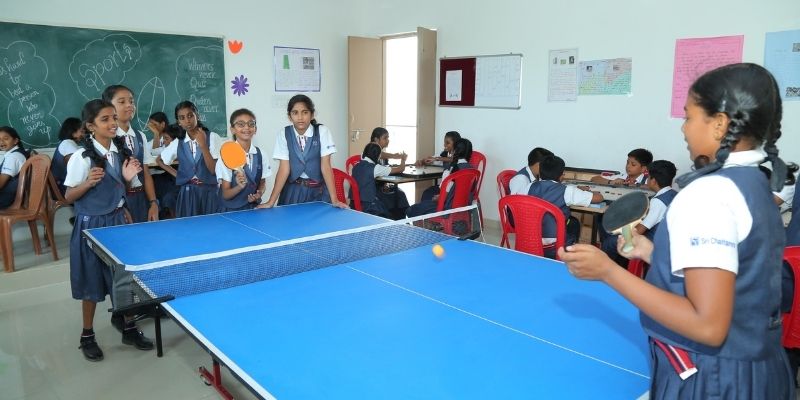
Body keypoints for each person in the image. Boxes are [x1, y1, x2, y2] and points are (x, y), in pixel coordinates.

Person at [559, 63, 794, 399]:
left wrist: (608, 271)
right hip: (761, 369)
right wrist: (653, 253)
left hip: (712, 379)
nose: (683, 129)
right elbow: (735, 272)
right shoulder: (756, 183)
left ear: (719, 124)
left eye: (688, 117)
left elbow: (707, 326)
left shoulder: (708, 193)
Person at [65, 99, 153, 362]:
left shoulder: (121, 152)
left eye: (114, 117)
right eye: (105, 119)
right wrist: (87, 184)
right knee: (91, 282)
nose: (113, 123)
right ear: (91, 126)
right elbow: (69, 196)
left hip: (117, 222)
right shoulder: (82, 157)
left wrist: (125, 183)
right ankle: (87, 335)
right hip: (92, 227)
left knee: (123, 279)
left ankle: (129, 327)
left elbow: (123, 189)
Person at [260, 95, 346, 208]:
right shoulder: (284, 134)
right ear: (289, 116)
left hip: (318, 191)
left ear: (312, 114)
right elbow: (284, 169)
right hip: (293, 191)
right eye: (295, 113)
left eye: (305, 112)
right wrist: (271, 202)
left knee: (320, 219)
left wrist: (334, 200)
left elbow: (326, 166)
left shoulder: (322, 131)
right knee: (291, 219)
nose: (300, 117)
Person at [601, 160, 677, 266]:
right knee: (615, 234)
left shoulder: (658, 202)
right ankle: (621, 265)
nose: (647, 180)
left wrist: (622, 229)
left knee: (610, 242)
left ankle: (604, 267)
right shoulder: (674, 194)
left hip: (653, 242)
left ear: (653, 181)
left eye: (648, 177)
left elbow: (639, 230)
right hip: (668, 240)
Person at [102, 85, 159, 223]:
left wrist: (153, 202)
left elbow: (146, 172)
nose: (129, 105)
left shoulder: (140, 136)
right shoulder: (106, 139)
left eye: (132, 101)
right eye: (122, 102)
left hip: (141, 197)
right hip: (119, 203)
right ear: (108, 107)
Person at [156, 101, 221, 217]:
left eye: (190, 115)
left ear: (197, 116)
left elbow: (213, 170)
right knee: (190, 226)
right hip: (188, 193)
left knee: (211, 224)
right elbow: (159, 160)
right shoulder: (178, 142)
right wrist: (179, 175)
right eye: (182, 118)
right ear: (178, 122)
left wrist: (203, 146)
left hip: (209, 192)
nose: (187, 120)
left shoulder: (212, 137)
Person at [526, 155, 603, 250]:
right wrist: (594, 192)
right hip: (554, 244)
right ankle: (569, 251)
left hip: (530, 238)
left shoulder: (530, 186)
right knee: (573, 224)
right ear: (561, 175)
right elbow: (598, 198)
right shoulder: (566, 191)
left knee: (572, 222)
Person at [216, 109, 271, 212]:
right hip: (229, 211)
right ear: (232, 129)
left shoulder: (261, 154)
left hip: (252, 209)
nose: (246, 127)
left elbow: (262, 182)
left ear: (255, 129)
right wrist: (239, 187)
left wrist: (259, 193)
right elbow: (226, 194)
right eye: (241, 124)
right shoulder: (226, 156)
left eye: (251, 124)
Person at [406, 138, 475, 218]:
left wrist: (437, 198)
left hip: (446, 210)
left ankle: (428, 223)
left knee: (410, 210)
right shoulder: (473, 171)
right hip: (464, 209)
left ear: (454, 151)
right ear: (470, 153)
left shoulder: (451, 170)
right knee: (427, 197)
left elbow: (443, 196)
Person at [352, 142, 407, 217]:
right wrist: (403, 159)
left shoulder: (356, 166)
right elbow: (400, 169)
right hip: (369, 206)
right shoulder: (375, 168)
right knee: (398, 196)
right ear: (377, 156)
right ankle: (400, 217)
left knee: (391, 197)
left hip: (354, 203)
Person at [370, 127, 410, 219]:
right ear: (376, 139)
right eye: (385, 138)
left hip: (381, 186)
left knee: (400, 194)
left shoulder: (382, 155)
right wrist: (398, 157)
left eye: (388, 138)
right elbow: (381, 155)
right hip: (372, 191)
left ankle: (402, 219)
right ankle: (392, 219)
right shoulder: (370, 152)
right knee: (394, 196)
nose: (388, 140)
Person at [0, 126, 31, 209]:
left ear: (15, 141)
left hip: (6, 199)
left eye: (5, 138)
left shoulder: (13, 157)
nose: (1, 142)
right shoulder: (16, 153)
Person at [52, 117, 84, 196]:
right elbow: (77, 168)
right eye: (81, 131)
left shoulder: (66, 143)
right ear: (73, 132)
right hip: (63, 189)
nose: (83, 135)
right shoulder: (67, 144)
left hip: (62, 186)